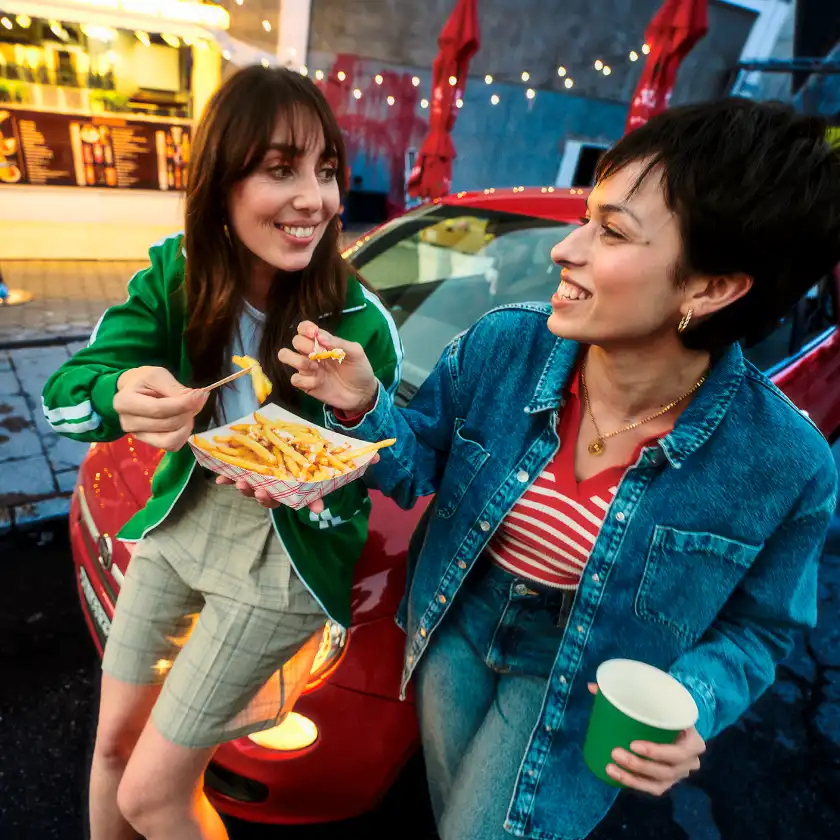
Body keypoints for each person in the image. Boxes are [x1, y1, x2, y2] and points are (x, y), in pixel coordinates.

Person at [279, 99, 840, 840]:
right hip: (455, 621)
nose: (564, 250)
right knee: (454, 816)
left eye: (611, 231)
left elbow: (761, 630)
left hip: (590, 674)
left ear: (711, 289)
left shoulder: (785, 463)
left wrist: (694, 701)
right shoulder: (504, 347)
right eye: (587, 216)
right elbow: (416, 470)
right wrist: (364, 406)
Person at [41, 66, 402, 840]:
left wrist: (364, 405)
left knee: (153, 796)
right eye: (281, 169)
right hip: (183, 522)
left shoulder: (358, 319)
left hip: (284, 561)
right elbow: (66, 395)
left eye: (328, 171)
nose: (316, 199)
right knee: (111, 748)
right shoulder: (175, 274)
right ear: (220, 182)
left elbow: (398, 461)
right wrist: (120, 392)